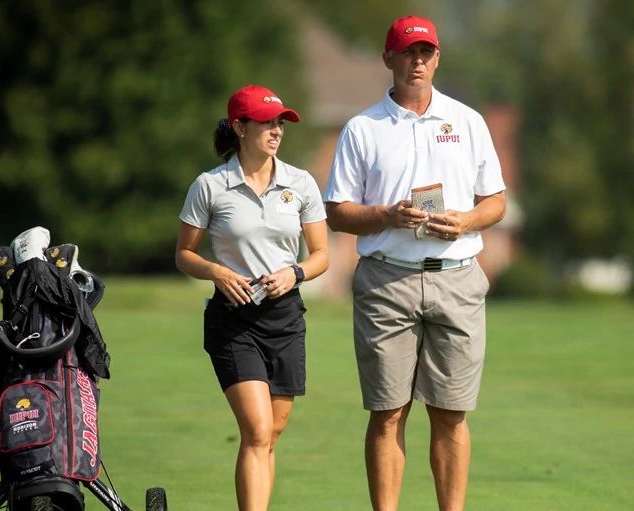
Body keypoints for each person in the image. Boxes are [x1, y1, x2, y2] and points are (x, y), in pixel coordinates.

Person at [323, 15, 506, 511]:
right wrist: (386, 214)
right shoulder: (363, 128)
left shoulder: (467, 121)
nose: (417, 61)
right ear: (388, 59)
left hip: (457, 279)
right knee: (387, 412)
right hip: (386, 282)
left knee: (451, 413)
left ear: (438, 57)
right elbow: (337, 212)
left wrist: (466, 222)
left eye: (426, 52)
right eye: (407, 52)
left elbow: (495, 201)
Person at [175, 84, 329, 511]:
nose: (276, 130)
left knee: (270, 436)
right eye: (266, 122)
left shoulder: (300, 183)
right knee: (258, 431)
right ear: (240, 127)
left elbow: (321, 256)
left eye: (280, 122)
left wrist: (293, 273)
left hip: (285, 318)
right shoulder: (210, 185)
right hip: (234, 319)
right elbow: (184, 254)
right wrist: (217, 271)